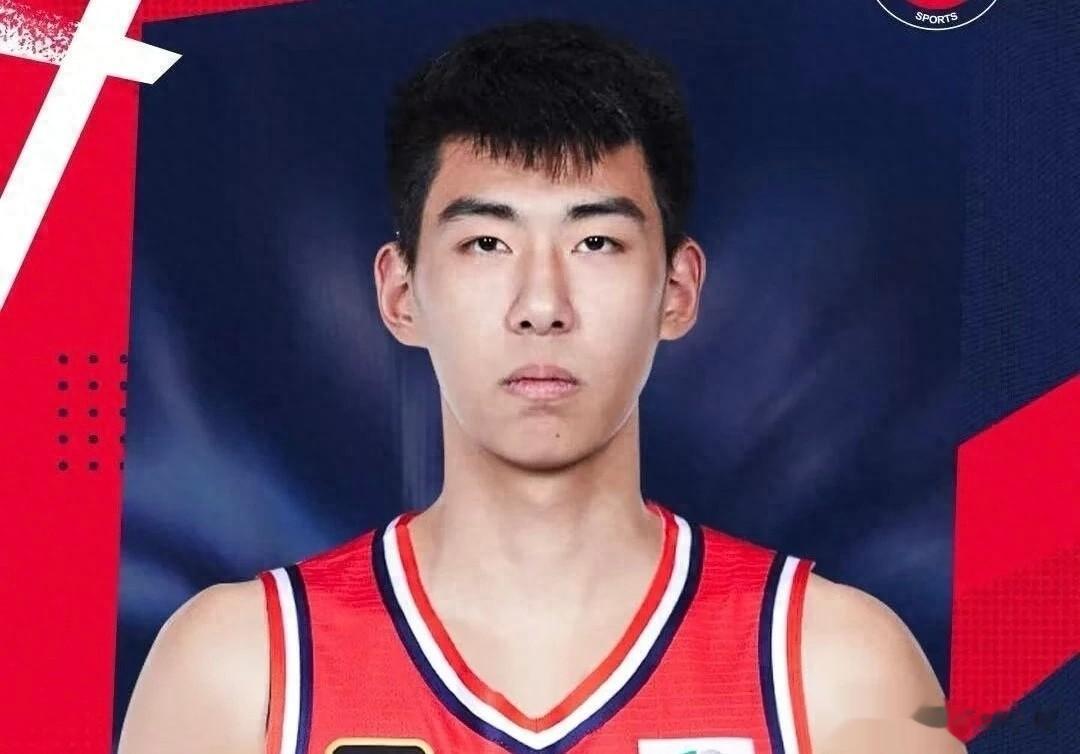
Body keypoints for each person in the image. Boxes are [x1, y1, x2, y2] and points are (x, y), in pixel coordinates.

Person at [118, 18, 965, 754]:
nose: (542, 305)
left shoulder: (833, 671)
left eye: (596, 243)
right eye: (486, 244)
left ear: (677, 290)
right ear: (401, 294)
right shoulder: (240, 672)